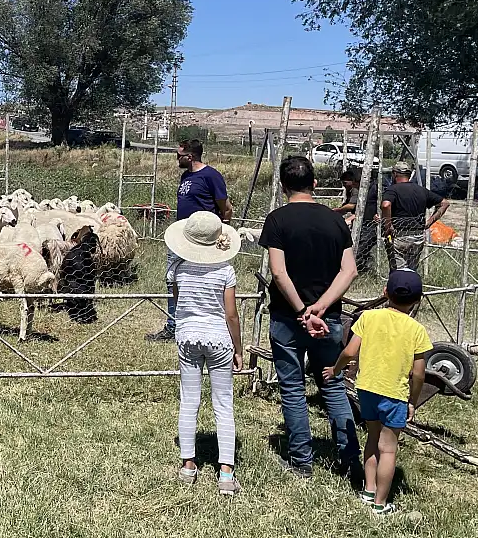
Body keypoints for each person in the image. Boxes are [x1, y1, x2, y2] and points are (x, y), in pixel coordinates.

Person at [258, 156, 360, 479]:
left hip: (288, 319)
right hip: (328, 319)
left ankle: (302, 460)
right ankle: (350, 460)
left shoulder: (276, 220)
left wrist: (303, 311)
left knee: (292, 387)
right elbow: (350, 271)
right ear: (315, 184)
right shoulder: (336, 221)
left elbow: (278, 272)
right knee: (333, 386)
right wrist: (321, 306)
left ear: (283, 185)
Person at [324, 269, 431, 516]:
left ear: (385, 293)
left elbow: (350, 352)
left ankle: (368, 490)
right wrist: (412, 401)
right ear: (417, 300)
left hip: (366, 389)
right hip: (394, 393)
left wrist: (336, 369)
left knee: (372, 439)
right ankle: (380, 504)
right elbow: (419, 374)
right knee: (389, 448)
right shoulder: (417, 330)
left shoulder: (368, 318)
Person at [164, 211, 244, 496]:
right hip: (219, 339)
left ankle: (188, 465)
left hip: (187, 337)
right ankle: (225, 473)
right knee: (223, 403)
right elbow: (231, 315)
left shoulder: (178, 270)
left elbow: (178, 303)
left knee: (189, 400)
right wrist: (238, 348)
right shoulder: (225, 271)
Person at [150, 139, 233, 341]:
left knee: (202, 281)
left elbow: (226, 208)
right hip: (181, 237)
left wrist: (221, 232)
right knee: (173, 279)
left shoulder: (211, 176)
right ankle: (174, 325)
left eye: (179, 155)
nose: (176, 159)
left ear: (190, 156)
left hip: (202, 239)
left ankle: (203, 324)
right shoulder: (186, 176)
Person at [382, 162, 450, 272]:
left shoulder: (392, 190)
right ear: (410, 175)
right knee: (411, 270)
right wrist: (429, 222)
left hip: (399, 236)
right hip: (417, 236)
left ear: (395, 174)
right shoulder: (421, 190)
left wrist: (388, 226)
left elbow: (386, 205)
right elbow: (445, 203)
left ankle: (399, 288)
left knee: (399, 273)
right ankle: (411, 287)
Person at [336, 167, 380, 273]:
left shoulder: (375, 188)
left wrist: (380, 214)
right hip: (363, 223)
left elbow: (352, 207)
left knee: (359, 248)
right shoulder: (362, 190)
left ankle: (354, 270)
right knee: (359, 247)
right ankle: (363, 268)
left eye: (347, 183)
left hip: (372, 224)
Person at [58, 226, 99, 323]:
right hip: (75, 282)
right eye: (95, 245)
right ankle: (80, 314)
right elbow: (85, 273)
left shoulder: (78, 250)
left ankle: (78, 309)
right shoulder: (82, 254)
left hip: (68, 281)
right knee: (83, 289)